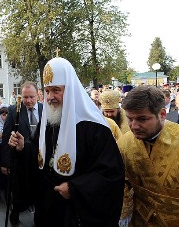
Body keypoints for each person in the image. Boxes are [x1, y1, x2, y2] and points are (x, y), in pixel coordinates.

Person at [9, 58, 124, 226]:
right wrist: (24, 147)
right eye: (47, 91)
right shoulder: (48, 121)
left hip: (74, 213)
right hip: (47, 205)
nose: (50, 97)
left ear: (70, 90)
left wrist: (75, 188)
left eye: (56, 90)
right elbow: (40, 155)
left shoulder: (94, 128)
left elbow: (111, 174)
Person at [118, 85, 179, 226]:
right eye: (130, 119)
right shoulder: (125, 143)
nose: (134, 126)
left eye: (142, 119)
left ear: (162, 114)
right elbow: (121, 181)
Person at [2, 81, 43, 225]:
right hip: (19, 160)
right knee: (18, 191)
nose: (28, 101)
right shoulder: (14, 111)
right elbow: (7, 136)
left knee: (39, 191)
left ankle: (38, 218)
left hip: (39, 160)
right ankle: (15, 214)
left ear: (38, 95)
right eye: (25, 97)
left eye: (31, 97)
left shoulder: (46, 110)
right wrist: (5, 163)